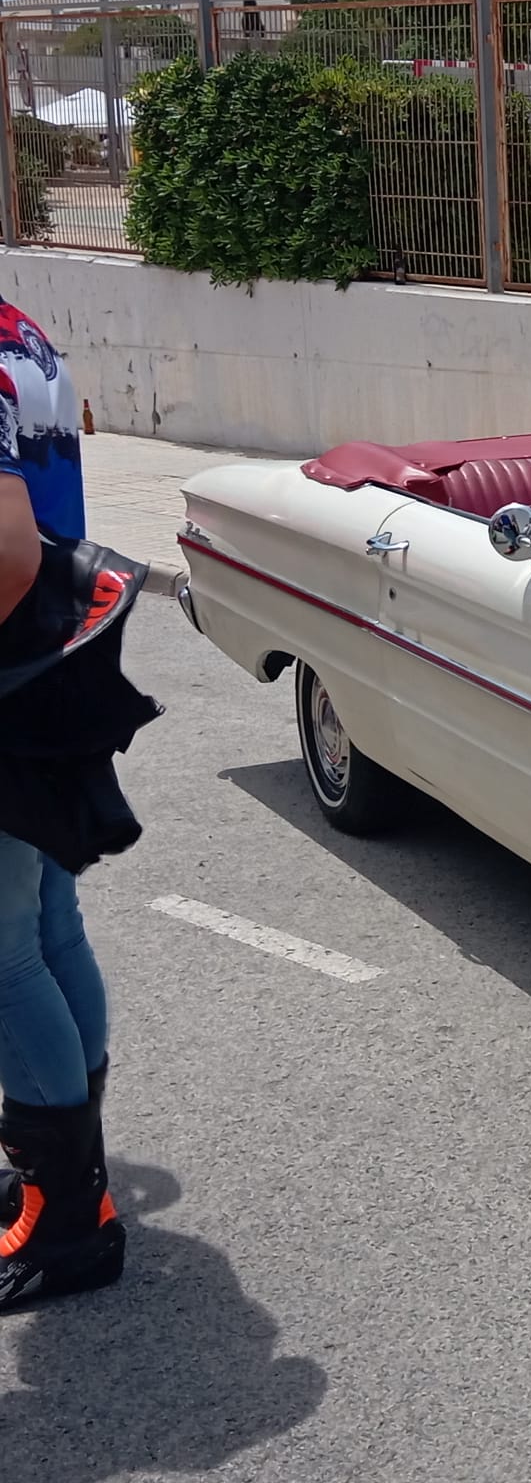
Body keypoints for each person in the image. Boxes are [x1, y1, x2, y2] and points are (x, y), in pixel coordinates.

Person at [0, 294, 144, 1311]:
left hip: (10, 667)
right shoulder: (21, 331)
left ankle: (66, 1221)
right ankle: (75, 1180)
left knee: (7, 958)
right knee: (50, 931)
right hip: (45, 662)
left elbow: (8, 551)